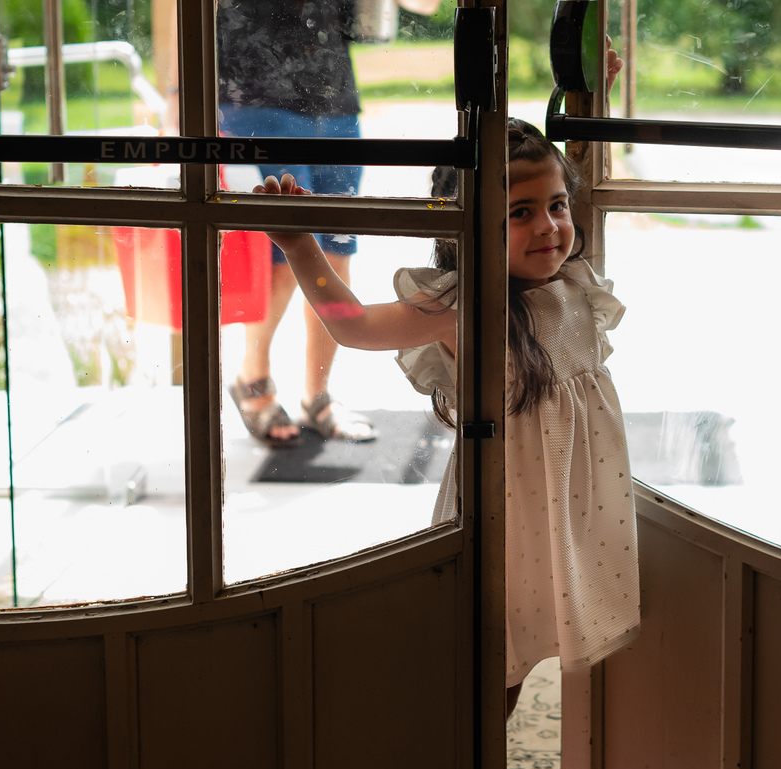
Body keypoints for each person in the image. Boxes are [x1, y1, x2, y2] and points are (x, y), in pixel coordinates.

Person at [254, 116, 640, 716]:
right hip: (505, 515)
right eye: (519, 213)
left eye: (557, 206)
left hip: (571, 506)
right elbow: (351, 325)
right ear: (468, 228)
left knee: (543, 632)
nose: (549, 227)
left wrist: (591, 82)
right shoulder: (465, 306)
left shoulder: (572, 285)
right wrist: (300, 246)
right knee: (491, 669)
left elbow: (580, 167)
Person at [216, 0, 440, 447]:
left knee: (337, 253)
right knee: (281, 258)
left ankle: (316, 396)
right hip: (255, 100)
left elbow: (427, 4)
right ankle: (253, 378)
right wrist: (175, 99)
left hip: (334, 105)